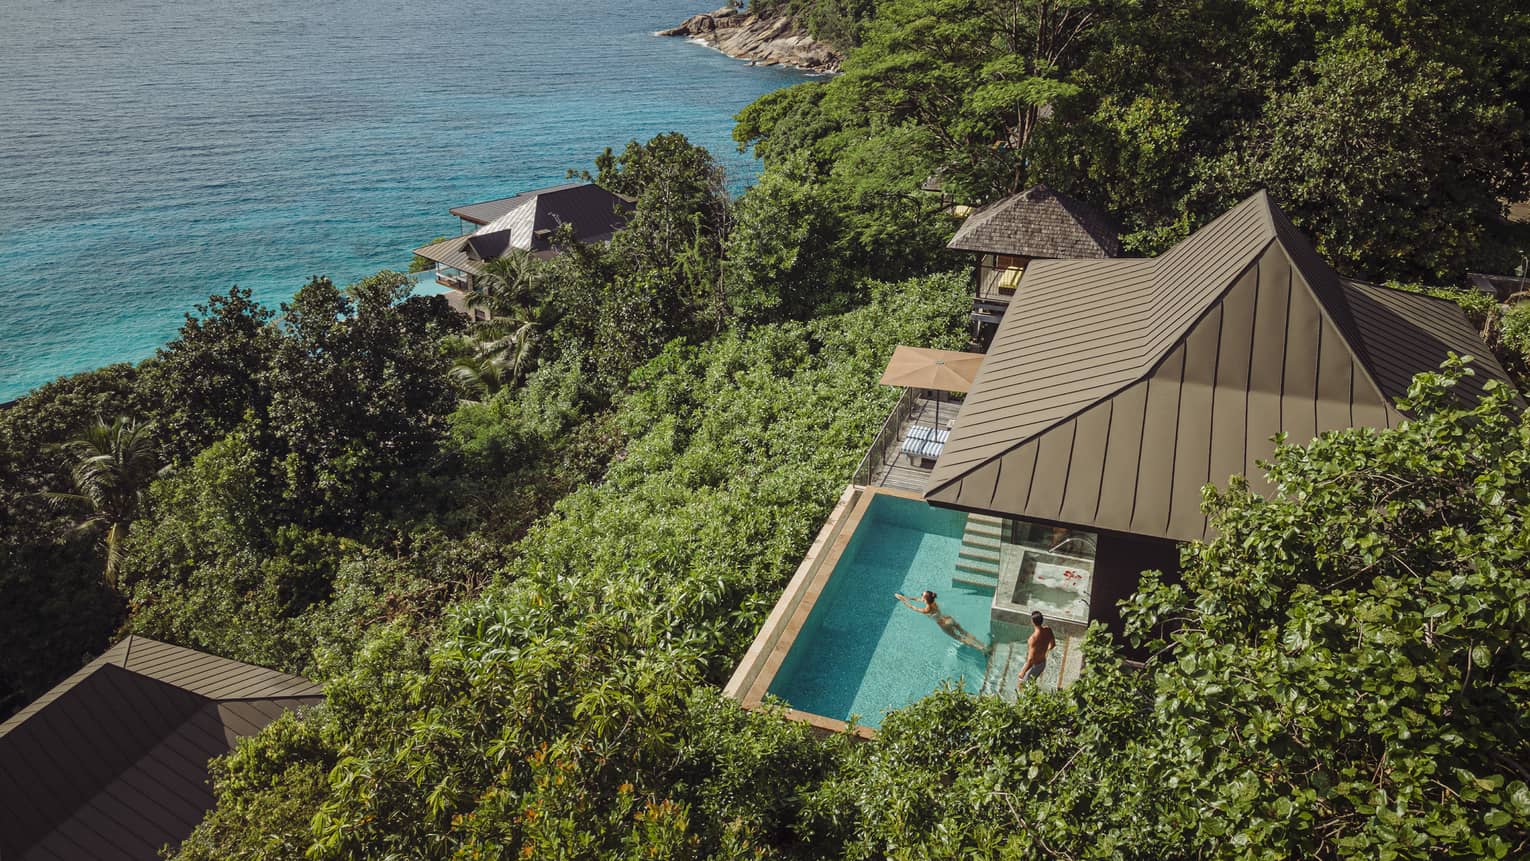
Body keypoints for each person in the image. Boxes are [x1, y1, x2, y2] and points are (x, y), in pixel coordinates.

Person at [893, 590, 986, 651]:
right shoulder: (932, 601)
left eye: (922, 595)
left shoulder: (927, 609)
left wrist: (902, 600)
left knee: (959, 638)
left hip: (944, 624)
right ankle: (983, 644)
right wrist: (907, 597)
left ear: (925, 599)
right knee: (964, 632)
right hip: (949, 618)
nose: (921, 595)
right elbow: (919, 599)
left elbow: (913, 607)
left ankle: (980, 648)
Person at [1017, 611, 1055, 685]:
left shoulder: (1033, 639)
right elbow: (1053, 645)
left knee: (1022, 685)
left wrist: (1023, 671)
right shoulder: (1048, 630)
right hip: (1043, 663)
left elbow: (1030, 659)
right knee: (1030, 684)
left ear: (1032, 622)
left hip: (1034, 666)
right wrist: (1044, 652)